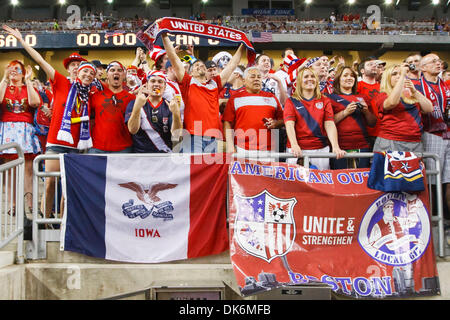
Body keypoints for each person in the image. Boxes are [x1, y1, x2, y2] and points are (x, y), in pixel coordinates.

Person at [2, 25, 97, 224]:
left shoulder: (92, 94)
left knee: (68, 186)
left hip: (77, 146)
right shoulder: (62, 83)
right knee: (50, 182)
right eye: (84, 72)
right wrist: (22, 41)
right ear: (77, 73)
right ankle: (45, 222)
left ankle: (63, 224)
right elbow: (40, 60)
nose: (87, 75)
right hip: (56, 141)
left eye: (91, 74)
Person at [161, 32, 245, 153]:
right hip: (193, 136)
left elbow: (232, 65)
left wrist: (243, 45)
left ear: (207, 72)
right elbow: (173, 58)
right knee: (194, 171)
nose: (200, 66)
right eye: (196, 66)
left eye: (202, 65)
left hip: (213, 136)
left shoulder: (215, 83)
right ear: (190, 73)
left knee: (210, 172)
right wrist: (164, 35)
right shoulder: (187, 82)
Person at [0, 60, 42, 213]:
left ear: (23, 72)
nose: (13, 71)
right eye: (11, 68)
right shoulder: (4, 86)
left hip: (25, 129)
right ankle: (13, 205)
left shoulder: (26, 86)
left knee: (28, 171)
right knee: (10, 171)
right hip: (7, 129)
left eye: (17, 69)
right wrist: (5, 77)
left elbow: (35, 102)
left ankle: (30, 204)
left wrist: (28, 80)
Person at [284, 67, 345, 170]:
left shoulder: (325, 100)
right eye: (306, 76)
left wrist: (335, 146)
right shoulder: (291, 101)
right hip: (297, 149)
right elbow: (289, 124)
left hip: (320, 148)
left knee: (321, 183)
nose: (310, 79)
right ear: (299, 81)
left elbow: (329, 124)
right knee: (295, 183)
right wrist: (294, 145)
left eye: (313, 76)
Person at [416, 53, 450, 219]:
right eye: (433, 61)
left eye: (439, 61)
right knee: (431, 180)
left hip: (448, 133)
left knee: (448, 180)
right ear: (423, 67)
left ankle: (447, 219)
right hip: (431, 133)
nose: (439, 63)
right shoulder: (418, 86)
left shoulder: (445, 85)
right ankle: (432, 217)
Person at [223, 67, 284, 157]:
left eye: (259, 77)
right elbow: (227, 123)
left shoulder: (272, 97)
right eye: (252, 76)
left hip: (268, 149)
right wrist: (231, 146)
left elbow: (283, 120)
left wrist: (275, 123)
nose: (256, 79)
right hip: (242, 148)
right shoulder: (235, 98)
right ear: (244, 81)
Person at [372, 63, 433, 153]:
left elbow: (429, 109)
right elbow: (392, 103)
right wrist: (402, 76)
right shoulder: (382, 95)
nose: (399, 76)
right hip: (391, 141)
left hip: (415, 141)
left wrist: (414, 91)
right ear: (387, 78)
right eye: (394, 74)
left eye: (401, 73)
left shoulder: (411, 94)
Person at [326, 66, 377, 169]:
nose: (349, 78)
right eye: (345, 75)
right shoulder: (329, 98)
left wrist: (366, 111)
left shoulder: (363, 97)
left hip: (362, 145)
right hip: (340, 147)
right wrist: (345, 112)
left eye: (352, 76)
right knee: (341, 179)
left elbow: (372, 123)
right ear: (338, 79)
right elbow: (327, 122)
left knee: (361, 179)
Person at [125, 71, 182, 153]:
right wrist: (137, 107)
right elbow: (132, 130)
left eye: (160, 82)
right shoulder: (134, 103)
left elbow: (176, 135)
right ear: (147, 85)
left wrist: (176, 114)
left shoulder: (170, 106)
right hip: (141, 156)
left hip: (165, 155)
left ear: (165, 87)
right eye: (152, 81)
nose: (156, 84)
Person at [89, 61, 136, 154]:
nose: (116, 72)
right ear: (107, 75)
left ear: (124, 75)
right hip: (97, 148)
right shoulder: (95, 96)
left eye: (119, 70)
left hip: (123, 148)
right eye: (112, 70)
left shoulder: (132, 98)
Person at [357, 56, 381, 145]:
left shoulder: (383, 87)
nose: (374, 66)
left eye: (375, 65)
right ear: (362, 71)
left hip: (382, 132)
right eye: (370, 64)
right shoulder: (357, 86)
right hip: (364, 133)